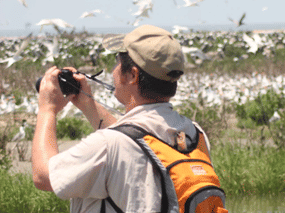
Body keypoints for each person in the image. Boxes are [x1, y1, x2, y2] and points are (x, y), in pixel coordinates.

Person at [32, 25, 210, 212]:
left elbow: (44, 176)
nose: (113, 69)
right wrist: (87, 104)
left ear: (132, 74)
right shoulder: (193, 134)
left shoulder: (108, 146)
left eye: (117, 61)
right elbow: (139, 141)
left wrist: (47, 109)